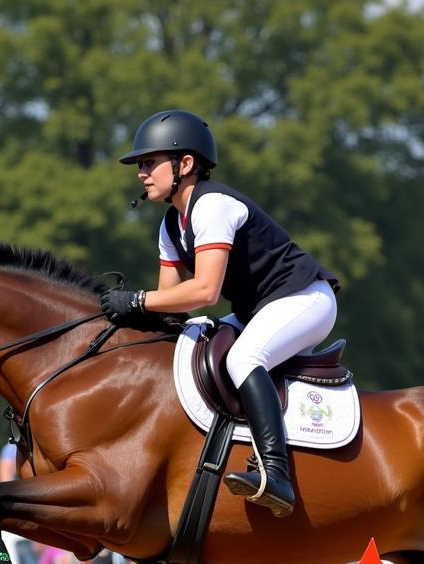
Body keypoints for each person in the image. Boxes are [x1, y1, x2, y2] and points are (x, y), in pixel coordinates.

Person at [102, 109, 339, 518]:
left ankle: (276, 473)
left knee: (244, 358)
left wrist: (136, 301)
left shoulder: (212, 206)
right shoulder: (171, 225)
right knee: (193, 344)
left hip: (305, 298)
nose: (141, 172)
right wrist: (125, 317)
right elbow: (171, 301)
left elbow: (206, 291)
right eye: (141, 165)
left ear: (186, 164)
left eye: (149, 162)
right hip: (260, 308)